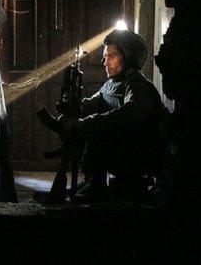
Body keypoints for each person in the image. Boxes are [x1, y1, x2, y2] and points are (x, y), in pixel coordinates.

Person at [61, 29, 166, 202]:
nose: (105, 62)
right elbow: (94, 102)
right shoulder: (113, 83)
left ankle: (96, 187)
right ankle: (94, 181)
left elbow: (127, 115)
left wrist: (84, 123)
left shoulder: (137, 85)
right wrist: (72, 111)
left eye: (112, 56)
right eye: (105, 56)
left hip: (139, 153)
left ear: (129, 57)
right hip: (123, 148)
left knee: (99, 129)